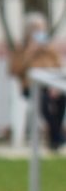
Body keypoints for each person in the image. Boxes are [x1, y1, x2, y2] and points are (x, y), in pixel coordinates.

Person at [10, 13, 65, 152]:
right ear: (28, 31)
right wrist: (29, 53)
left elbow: (59, 68)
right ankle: (56, 136)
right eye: (35, 29)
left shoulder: (48, 50)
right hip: (30, 87)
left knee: (62, 97)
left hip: (50, 86)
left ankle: (55, 136)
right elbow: (15, 70)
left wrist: (55, 86)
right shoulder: (20, 49)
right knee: (43, 99)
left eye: (41, 29)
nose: (39, 32)